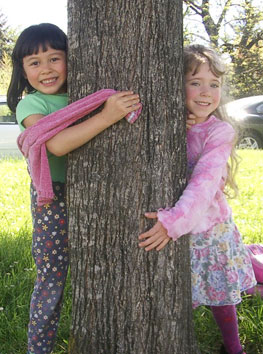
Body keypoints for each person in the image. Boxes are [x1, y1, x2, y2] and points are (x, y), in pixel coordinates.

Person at [7, 23, 141, 354]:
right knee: (52, 280)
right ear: (23, 72)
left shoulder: (85, 94)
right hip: (51, 197)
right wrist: (107, 115)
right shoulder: (30, 105)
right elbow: (56, 145)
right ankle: (39, 349)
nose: (46, 69)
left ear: (71, 59)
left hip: (99, 194)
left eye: (55, 58)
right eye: (34, 62)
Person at [138, 44, 257, 354]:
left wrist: (172, 222)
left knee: (221, 293)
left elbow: (204, 183)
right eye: (195, 82)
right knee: (184, 293)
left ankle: (234, 348)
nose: (206, 92)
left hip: (210, 229)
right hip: (186, 230)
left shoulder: (220, 132)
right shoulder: (171, 124)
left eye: (214, 84)